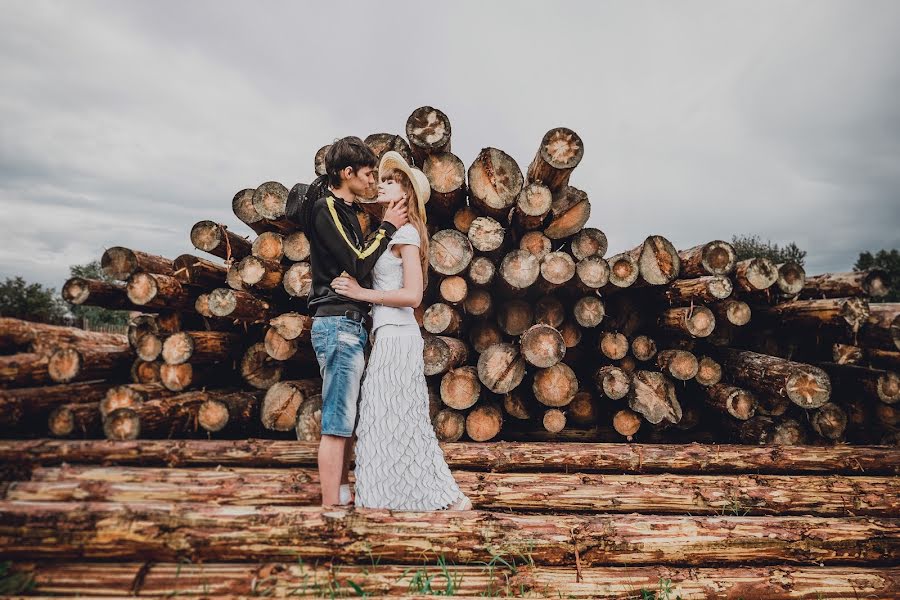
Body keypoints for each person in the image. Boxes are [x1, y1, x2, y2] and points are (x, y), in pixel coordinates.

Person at [332, 151, 472, 511]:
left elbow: (413, 294)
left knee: (395, 417)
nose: (381, 184)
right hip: (389, 335)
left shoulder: (406, 233)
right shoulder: (390, 231)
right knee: (385, 417)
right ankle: (389, 496)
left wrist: (363, 293)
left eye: (391, 181)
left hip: (399, 336)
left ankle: (431, 496)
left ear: (406, 194)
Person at [307, 137, 408, 506]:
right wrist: (388, 227)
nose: (372, 181)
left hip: (350, 324)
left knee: (345, 418)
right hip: (336, 323)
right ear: (346, 174)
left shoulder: (349, 212)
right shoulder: (327, 208)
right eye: (367, 174)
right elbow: (358, 262)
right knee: (336, 422)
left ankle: (342, 493)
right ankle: (330, 507)